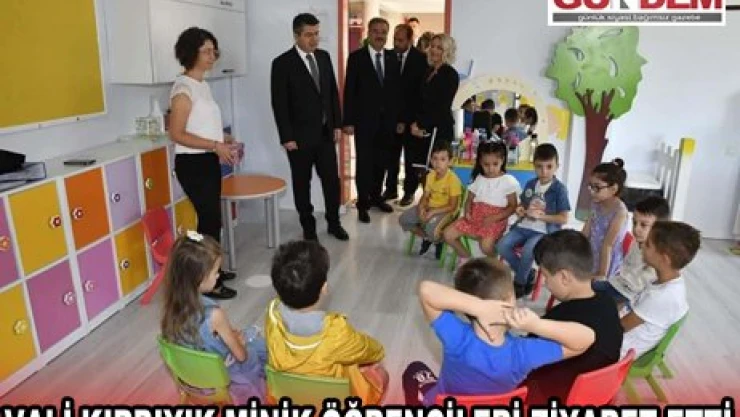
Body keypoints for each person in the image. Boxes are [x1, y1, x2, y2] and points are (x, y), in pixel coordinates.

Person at [402, 258, 595, 406]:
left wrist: (478, 307)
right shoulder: (523, 353)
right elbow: (586, 339)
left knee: (414, 369)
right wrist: (536, 325)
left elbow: (426, 290)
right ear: (510, 298)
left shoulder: (457, 338)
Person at [264, 240, 389, 404]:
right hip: (331, 403)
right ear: (324, 288)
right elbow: (370, 350)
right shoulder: (335, 332)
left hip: (287, 398)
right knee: (380, 373)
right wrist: (378, 352)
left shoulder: (272, 314)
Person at [169, 27, 237, 299]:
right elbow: (177, 134)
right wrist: (215, 145)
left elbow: (200, 124)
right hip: (192, 164)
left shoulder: (203, 85)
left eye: (214, 51)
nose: (212, 56)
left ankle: (212, 271)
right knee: (209, 222)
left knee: (211, 221)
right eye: (206, 51)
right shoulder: (183, 89)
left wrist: (222, 138)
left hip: (207, 160)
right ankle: (207, 281)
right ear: (190, 53)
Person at [160, 232, 267, 403]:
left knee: (249, 337)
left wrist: (228, 336)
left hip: (190, 378)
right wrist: (239, 342)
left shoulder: (172, 305)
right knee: (257, 347)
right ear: (199, 277)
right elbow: (241, 356)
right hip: (219, 380)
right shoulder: (214, 315)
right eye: (216, 271)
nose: (218, 276)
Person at [270, 13, 349, 242]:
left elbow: (332, 93)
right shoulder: (282, 63)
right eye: (308, 35)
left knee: (331, 182)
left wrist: (336, 124)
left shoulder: (323, 57)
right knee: (301, 184)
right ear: (296, 35)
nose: (314, 39)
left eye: (316, 34)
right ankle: (308, 226)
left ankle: (334, 222)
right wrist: (286, 136)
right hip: (299, 138)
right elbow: (279, 103)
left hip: (325, 134)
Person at [524, 230, 624, 405]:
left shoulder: (559, 319)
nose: (545, 283)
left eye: (546, 276)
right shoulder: (607, 301)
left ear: (564, 277)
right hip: (596, 395)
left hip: (551, 396)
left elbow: (524, 357)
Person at [343, 17, 400, 223]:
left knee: (382, 162)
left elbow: (397, 92)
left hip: (388, 123)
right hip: (364, 122)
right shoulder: (356, 58)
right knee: (365, 163)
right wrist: (348, 121)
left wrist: (399, 119)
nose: (379, 35)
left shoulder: (393, 58)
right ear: (368, 32)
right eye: (376, 31)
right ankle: (362, 203)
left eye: (383, 32)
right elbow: (349, 91)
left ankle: (376, 197)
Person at [496, 144, 571, 298]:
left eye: (549, 167)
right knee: (502, 245)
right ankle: (528, 273)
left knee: (529, 249)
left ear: (557, 166)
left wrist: (541, 217)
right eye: (539, 167)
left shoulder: (560, 189)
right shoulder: (531, 184)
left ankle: (519, 283)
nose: (544, 171)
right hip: (524, 226)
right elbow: (523, 205)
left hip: (545, 232)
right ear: (534, 166)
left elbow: (563, 218)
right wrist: (520, 209)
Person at [620, 221, 700, 359]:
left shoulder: (660, 297)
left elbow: (621, 327)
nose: (642, 245)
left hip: (619, 349)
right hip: (623, 334)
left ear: (664, 259)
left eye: (648, 245)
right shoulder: (670, 281)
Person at [444, 142, 519, 263]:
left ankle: (493, 260)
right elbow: (469, 200)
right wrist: (467, 212)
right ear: (480, 162)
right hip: (475, 217)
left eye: (495, 164)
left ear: (502, 160)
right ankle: (466, 258)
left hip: (496, 220)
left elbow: (512, 206)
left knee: (485, 246)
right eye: (486, 164)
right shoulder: (479, 178)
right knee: (448, 234)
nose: (491, 168)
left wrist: (495, 218)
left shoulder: (508, 181)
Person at [593, 196, 671, 306]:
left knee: (591, 296)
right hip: (618, 285)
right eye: (634, 222)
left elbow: (640, 286)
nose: (636, 229)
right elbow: (625, 267)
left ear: (660, 228)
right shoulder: (637, 242)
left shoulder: (657, 255)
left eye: (643, 225)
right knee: (587, 286)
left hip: (629, 295)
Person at [384, 23, 429, 207]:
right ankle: (390, 188)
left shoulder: (421, 60)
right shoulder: (387, 56)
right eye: (395, 39)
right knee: (391, 156)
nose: (396, 43)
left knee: (410, 158)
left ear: (410, 40)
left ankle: (409, 192)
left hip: (412, 120)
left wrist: (406, 120)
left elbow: (419, 94)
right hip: (391, 118)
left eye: (401, 40)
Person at [399, 142, 462, 259]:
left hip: (446, 211)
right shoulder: (430, 176)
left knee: (431, 229)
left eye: (442, 159)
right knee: (404, 219)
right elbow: (425, 196)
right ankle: (428, 238)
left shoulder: (453, 180)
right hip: (430, 207)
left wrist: (433, 212)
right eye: (435, 158)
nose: (438, 163)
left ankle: (438, 241)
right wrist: (421, 208)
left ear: (450, 161)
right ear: (431, 160)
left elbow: (452, 206)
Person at [584, 159, 630, 280]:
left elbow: (608, 245)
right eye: (590, 186)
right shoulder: (596, 202)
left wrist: (602, 274)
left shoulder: (620, 212)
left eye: (597, 187)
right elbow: (586, 231)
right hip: (592, 253)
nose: (591, 191)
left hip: (607, 262)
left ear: (613, 189)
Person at [411, 34, 460, 144]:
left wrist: (420, 123)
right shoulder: (428, 71)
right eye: (432, 46)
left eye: (439, 48)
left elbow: (442, 106)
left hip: (439, 129)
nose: (434, 50)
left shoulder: (450, 74)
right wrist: (416, 122)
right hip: (423, 129)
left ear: (447, 51)